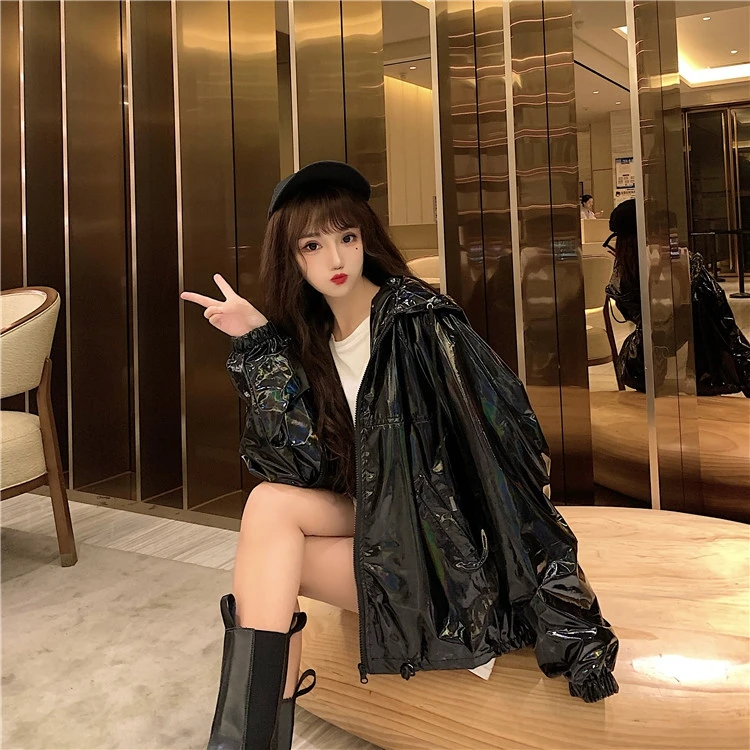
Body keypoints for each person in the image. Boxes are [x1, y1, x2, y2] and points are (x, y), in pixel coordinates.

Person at [182, 161, 619, 750]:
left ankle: (246, 741)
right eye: (312, 245)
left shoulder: (417, 322)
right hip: (382, 522)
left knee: (269, 547)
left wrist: (560, 604)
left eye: (347, 237)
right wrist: (259, 345)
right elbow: (300, 469)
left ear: (366, 237)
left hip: (447, 549)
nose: (335, 259)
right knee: (270, 510)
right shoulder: (313, 340)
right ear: (291, 258)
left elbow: (503, 453)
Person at [605, 198, 750, 396]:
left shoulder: (638, 265)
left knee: (700, 299)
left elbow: (706, 308)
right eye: (654, 230)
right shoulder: (634, 267)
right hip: (651, 354)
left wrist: (680, 273)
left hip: (663, 348)